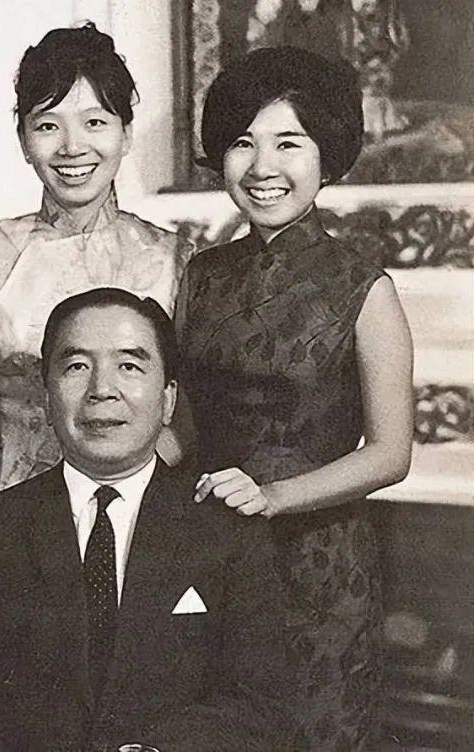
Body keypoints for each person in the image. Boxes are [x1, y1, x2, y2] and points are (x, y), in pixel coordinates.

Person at [178, 46, 413, 750]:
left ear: (326, 157)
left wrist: (275, 497)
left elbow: (391, 454)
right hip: (214, 549)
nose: (262, 167)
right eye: (242, 143)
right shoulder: (201, 275)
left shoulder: (365, 287)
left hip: (322, 565)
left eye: (288, 143)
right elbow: (184, 422)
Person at [0, 288, 298, 751]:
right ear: (47, 396)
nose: (102, 389)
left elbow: (260, 703)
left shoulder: (227, 528)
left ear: (168, 400)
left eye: (130, 367)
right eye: (77, 366)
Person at [0, 23, 194, 490]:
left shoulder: (175, 259)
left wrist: (119, 492)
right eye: (48, 126)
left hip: (139, 504)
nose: (72, 148)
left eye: (95, 123)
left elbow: (189, 415)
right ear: (23, 140)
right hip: (11, 503)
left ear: (126, 134)